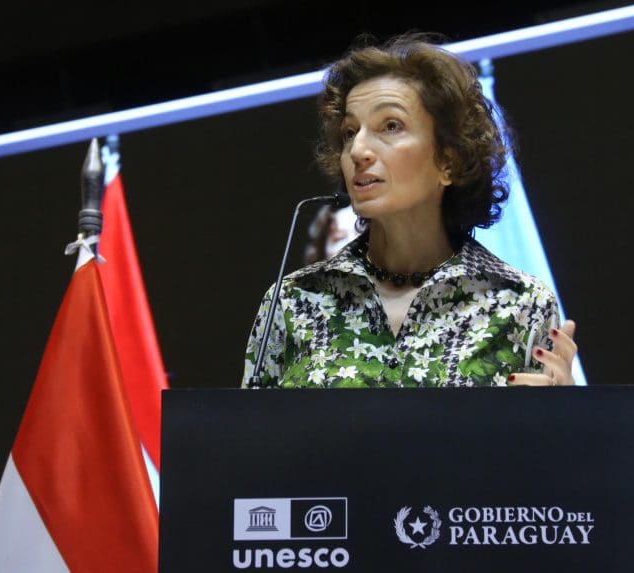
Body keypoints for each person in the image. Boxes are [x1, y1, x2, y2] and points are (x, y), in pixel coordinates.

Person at [243, 33, 577, 389]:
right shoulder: (295, 301)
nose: (358, 150)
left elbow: (541, 442)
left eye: (391, 126)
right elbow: (247, 440)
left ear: (449, 160)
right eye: (349, 132)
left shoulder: (519, 302)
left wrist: (560, 418)